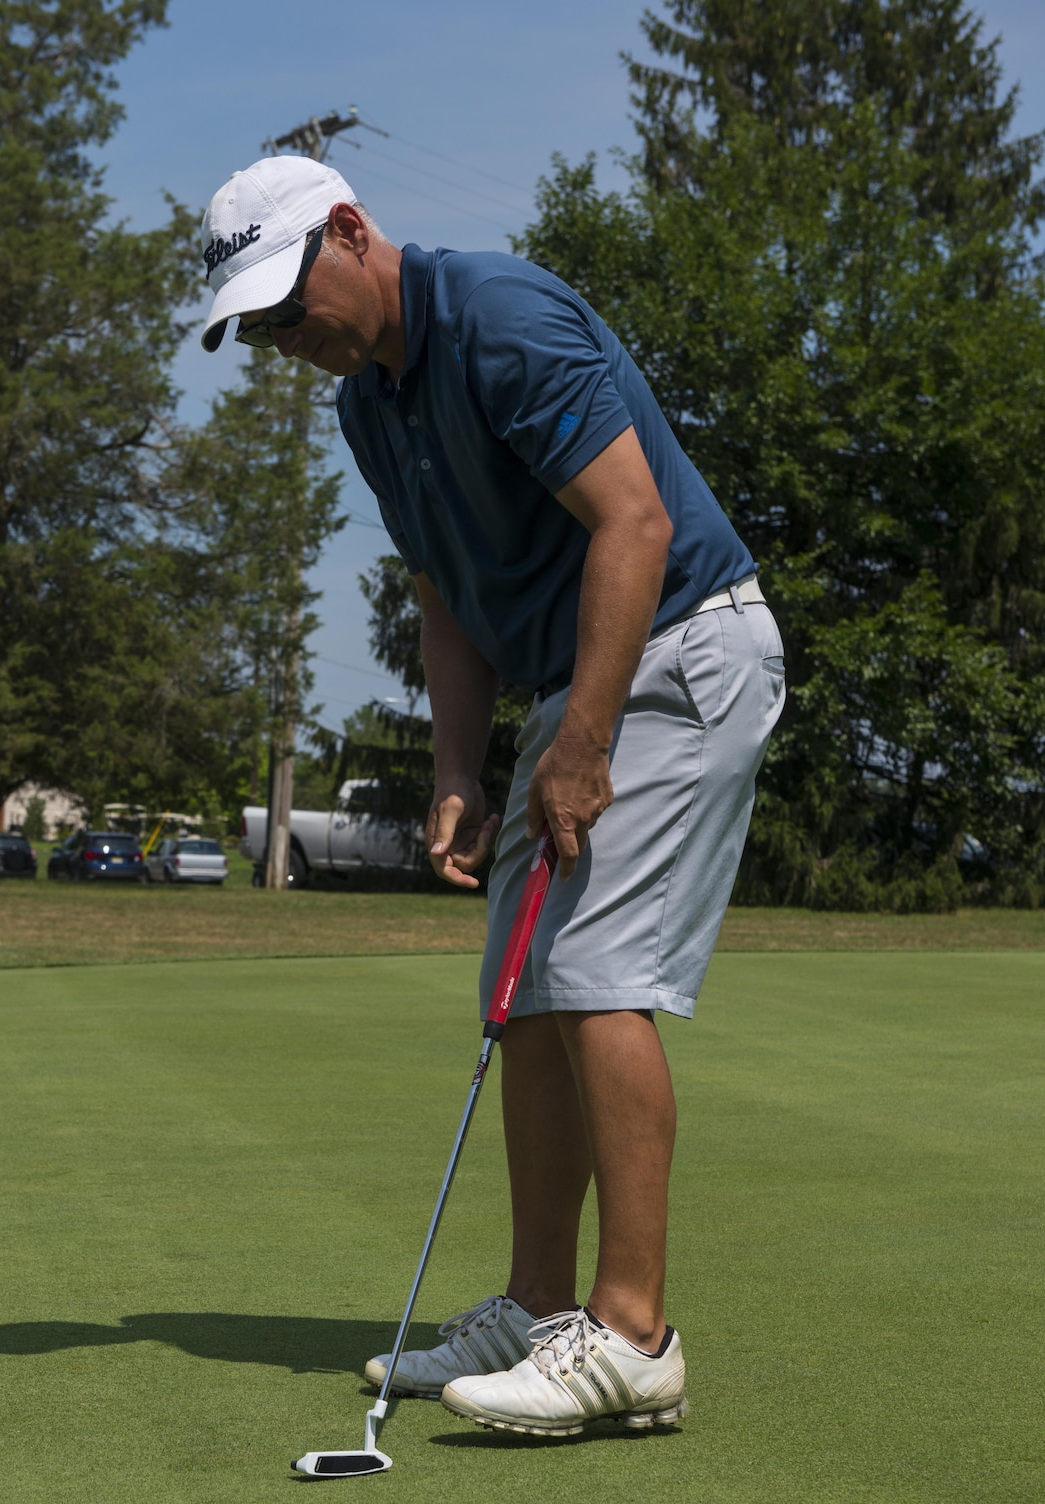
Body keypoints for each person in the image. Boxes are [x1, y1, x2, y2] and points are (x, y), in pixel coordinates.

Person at [200, 154, 784, 1438]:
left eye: (291, 311)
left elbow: (631, 525)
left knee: (591, 971)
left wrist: (578, 742)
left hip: (681, 644)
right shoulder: (371, 406)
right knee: (520, 994)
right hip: (585, 673)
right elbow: (443, 591)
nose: (286, 344)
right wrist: (458, 765)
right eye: (260, 332)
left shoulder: (499, 317)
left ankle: (634, 1335)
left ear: (351, 233)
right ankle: (534, 1307)